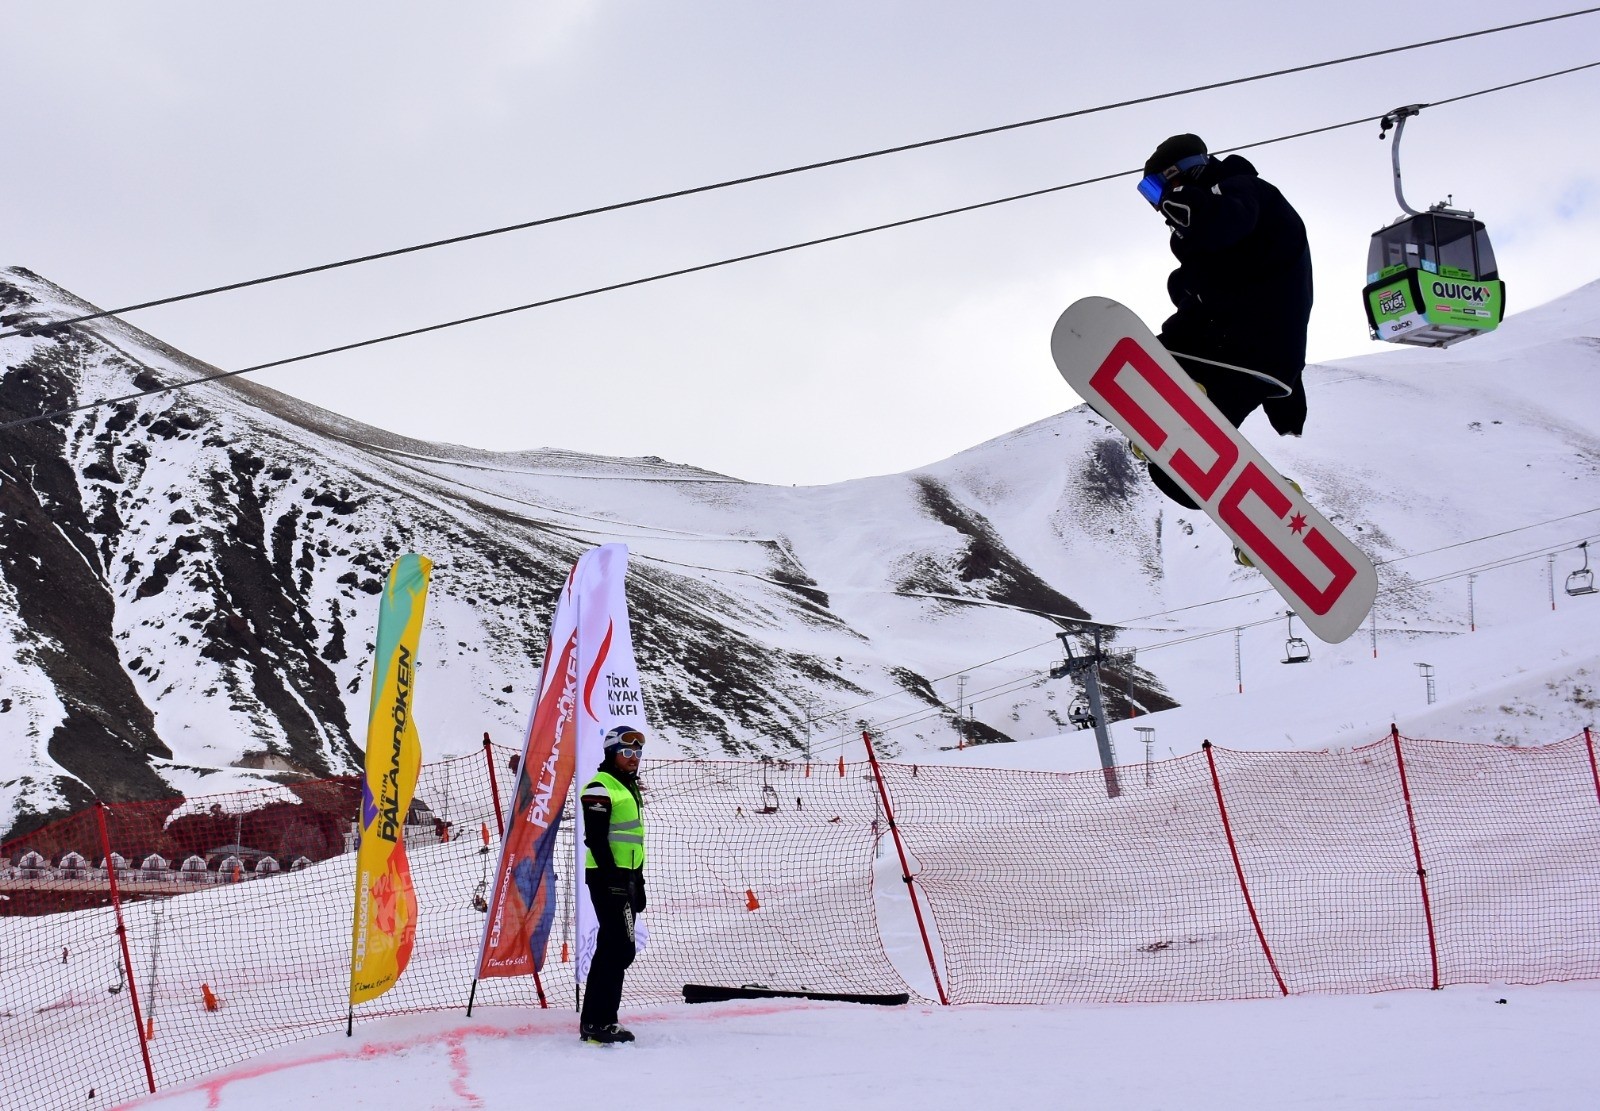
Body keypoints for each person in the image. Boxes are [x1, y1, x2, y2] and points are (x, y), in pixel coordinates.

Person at [1137, 133, 1314, 508]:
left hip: (1234, 348)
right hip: (1257, 363)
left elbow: (1225, 222)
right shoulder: (1228, 253)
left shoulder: (1239, 189)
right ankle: (1274, 505)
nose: (1156, 205)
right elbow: (1229, 282)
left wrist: (1189, 207)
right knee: (1176, 477)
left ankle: (1183, 379)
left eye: (1154, 189)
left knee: (1144, 362)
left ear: (1179, 174)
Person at [579, 724, 649, 1044]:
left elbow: (632, 840)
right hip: (608, 877)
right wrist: (614, 880)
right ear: (612, 753)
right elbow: (595, 839)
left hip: (627, 876)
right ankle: (598, 1021)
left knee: (617, 948)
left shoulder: (628, 787)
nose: (633, 758)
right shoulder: (600, 786)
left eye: (637, 752)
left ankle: (600, 1020)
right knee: (617, 948)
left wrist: (638, 880)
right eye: (627, 752)